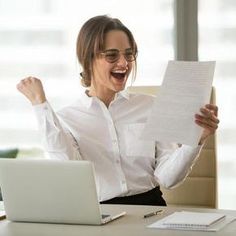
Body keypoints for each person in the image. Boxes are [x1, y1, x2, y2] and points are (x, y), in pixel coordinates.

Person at [17, 15, 219, 206]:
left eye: (129, 55)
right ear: (88, 60)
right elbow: (67, 167)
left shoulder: (151, 106)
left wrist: (196, 140)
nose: (124, 64)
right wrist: (40, 104)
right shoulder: (67, 119)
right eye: (112, 55)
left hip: (151, 209)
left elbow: (167, 179)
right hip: (99, 215)